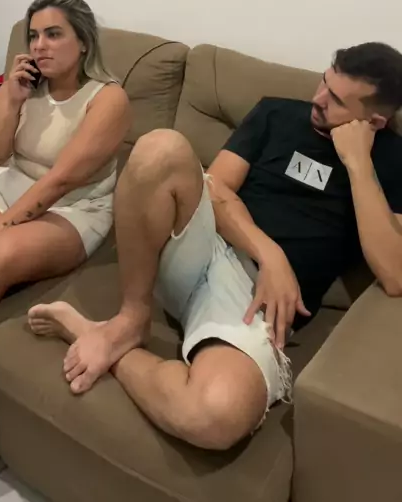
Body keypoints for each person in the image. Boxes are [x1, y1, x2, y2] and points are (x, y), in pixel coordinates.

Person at [28, 42, 402, 451]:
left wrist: (358, 164)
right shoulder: (276, 113)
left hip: (255, 304)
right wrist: (269, 253)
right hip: (202, 246)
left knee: (214, 416)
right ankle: (131, 320)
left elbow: (394, 273)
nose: (319, 98)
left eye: (337, 101)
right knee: (160, 148)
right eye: (324, 83)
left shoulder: (392, 161)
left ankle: (83, 330)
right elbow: (214, 187)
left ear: (374, 120)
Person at [0, 0, 130, 356]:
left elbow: (62, 180)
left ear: (83, 42)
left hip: (72, 206)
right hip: (11, 184)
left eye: (53, 34)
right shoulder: (27, 87)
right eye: (33, 36)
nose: (39, 46)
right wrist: (10, 100)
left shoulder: (108, 98)